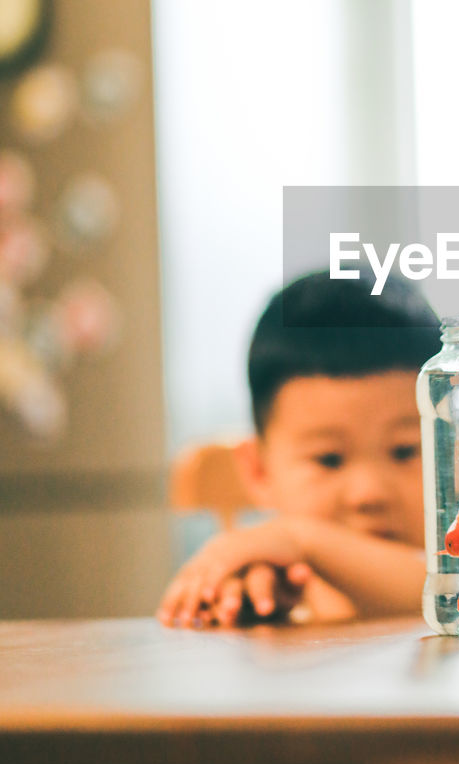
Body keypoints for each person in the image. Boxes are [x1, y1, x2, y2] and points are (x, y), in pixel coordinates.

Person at [157, 269, 442, 628]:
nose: (368, 494)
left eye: (403, 451)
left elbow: (448, 592)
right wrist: (240, 604)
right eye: (329, 459)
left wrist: (300, 537)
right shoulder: (267, 589)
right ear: (258, 472)